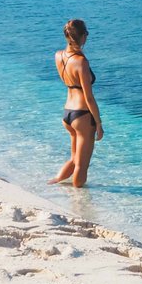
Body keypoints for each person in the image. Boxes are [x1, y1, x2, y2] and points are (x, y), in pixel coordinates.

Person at [47, 19, 104, 188]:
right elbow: (89, 97)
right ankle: (79, 201)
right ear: (82, 36)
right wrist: (99, 124)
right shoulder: (81, 62)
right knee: (81, 165)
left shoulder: (59, 56)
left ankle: (53, 184)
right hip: (83, 115)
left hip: (68, 113)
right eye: (86, 33)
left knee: (74, 159)